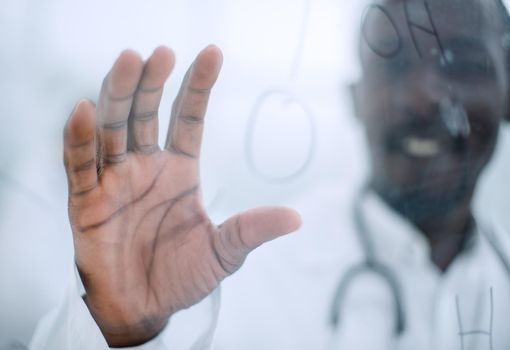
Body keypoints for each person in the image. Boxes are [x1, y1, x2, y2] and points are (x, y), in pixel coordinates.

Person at [29, 0, 510, 348]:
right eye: (398, 65)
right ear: (356, 101)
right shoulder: (256, 277)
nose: (427, 95)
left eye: (462, 62)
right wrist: (123, 332)